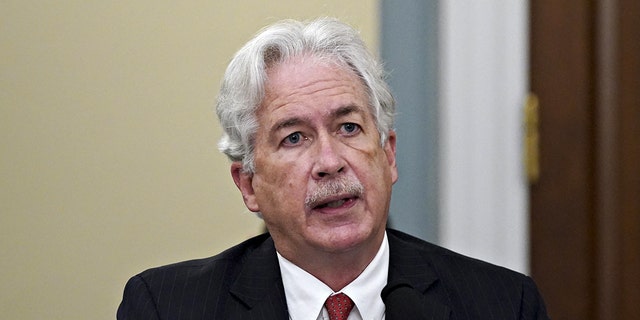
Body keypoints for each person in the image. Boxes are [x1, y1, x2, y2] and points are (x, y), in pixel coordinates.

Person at [117, 18, 549, 320]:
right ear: (248, 185)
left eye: (348, 127)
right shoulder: (165, 307)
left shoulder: (503, 304)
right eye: (294, 137)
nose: (329, 162)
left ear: (389, 155)